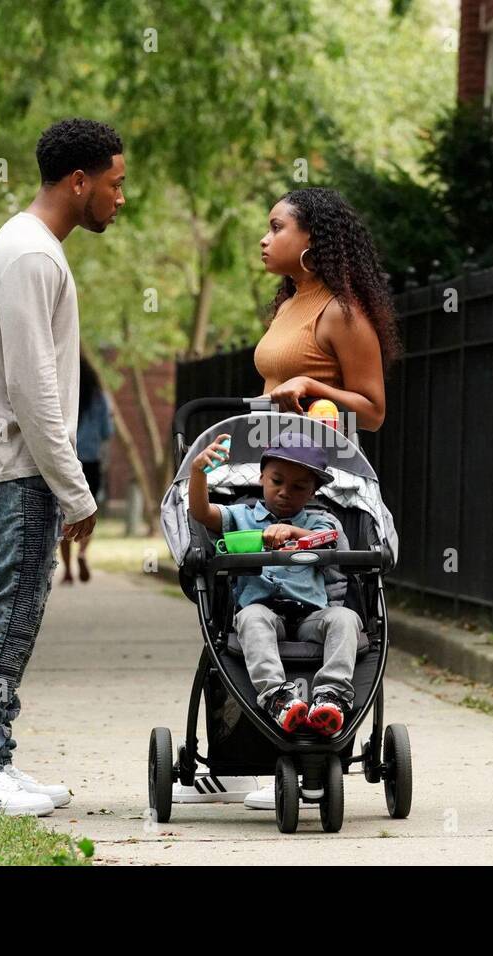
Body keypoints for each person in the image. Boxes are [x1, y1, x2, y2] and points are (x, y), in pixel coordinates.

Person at [0, 118, 125, 817]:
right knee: (5, 614)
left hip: (10, 465)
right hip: (11, 466)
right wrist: (76, 491)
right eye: (116, 183)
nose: (120, 197)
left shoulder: (28, 248)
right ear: (79, 182)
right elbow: (32, 386)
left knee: (15, 615)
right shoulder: (30, 256)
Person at [187, 431, 361, 735]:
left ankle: (330, 696)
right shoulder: (240, 517)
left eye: (298, 487)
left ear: (313, 492)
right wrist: (198, 473)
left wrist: (291, 532)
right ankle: (278, 698)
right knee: (251, 618)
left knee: (346, 619)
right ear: (261, 477)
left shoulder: (320, 522)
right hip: (263, 611)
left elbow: (329, 541)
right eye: (276, 481)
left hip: (311, 617)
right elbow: (202, 513)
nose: (284, 492)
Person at [254, 187, 401, 434]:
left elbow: (373, 414)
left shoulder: (341, 312)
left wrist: (309, 385)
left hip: (319, 464)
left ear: (311, 237)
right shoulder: (287, 305)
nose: (264, 239)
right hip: (272, 455)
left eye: (276, 228)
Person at [60, 360, 113, 584]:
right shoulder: (99, 399)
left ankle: (68, 571)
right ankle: (82, 552)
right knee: (88, 509)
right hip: (91, 461)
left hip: (67, 459)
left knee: (64, 514)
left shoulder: (63, 394)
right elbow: (107, 431)